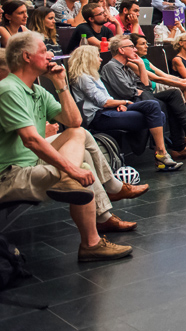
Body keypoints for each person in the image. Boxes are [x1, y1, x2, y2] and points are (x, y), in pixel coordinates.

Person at [0, 32, 135, 262]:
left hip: (29, 162)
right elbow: (31, 140)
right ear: (26, 56)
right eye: (43, 51)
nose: (50, 55)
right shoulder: (9, 89)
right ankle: (91, 243)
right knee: (80, 170)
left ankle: (92, 216)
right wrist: (72, 171)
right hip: (10, 174)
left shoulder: (36, 89)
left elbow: (74, 122)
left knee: (78, 134)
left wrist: (60, 84)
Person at [68, 45, 179, 166]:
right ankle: (160, 154)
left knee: (152, 106)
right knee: (159, 116)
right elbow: (103, 102)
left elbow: (107, 99)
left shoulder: (93, 75)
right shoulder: (82, 78)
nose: (100, 59)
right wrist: (123, 102)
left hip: (110, 109)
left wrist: (116, 104)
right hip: (99, 116)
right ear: (88, 58)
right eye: (98, 56)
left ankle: (156, 151)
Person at [100, 35, 186, 166]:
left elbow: (146, 86)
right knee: (157, 105)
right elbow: (127, 92)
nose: (135, 50)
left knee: (174, 93)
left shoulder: (127, 66)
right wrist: (139, 90)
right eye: (131, 47)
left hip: (140, 97)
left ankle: (182, 140)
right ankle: (164, 149)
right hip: (125, 103)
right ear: (121, 50)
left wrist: (140, 65)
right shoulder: (111, 67)